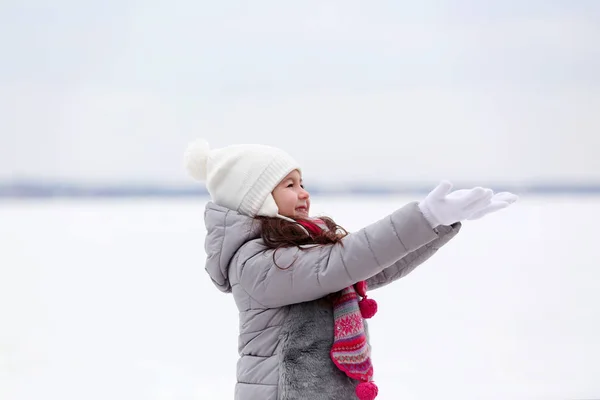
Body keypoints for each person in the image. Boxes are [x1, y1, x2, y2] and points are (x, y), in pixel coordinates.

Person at [183, 139, 518, 400]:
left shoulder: (303, 248)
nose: (304, 193)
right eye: (290, 185)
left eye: (302, 182)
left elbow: (375, 267)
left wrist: (438, 224)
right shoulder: (255, 262)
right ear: (256, 197)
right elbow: (344, 263)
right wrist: (423, 217)